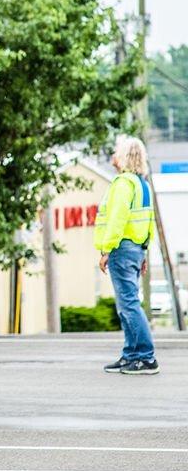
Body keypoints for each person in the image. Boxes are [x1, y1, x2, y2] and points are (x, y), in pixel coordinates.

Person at [94, 135, 159, 375]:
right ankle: (131, 354)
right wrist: (144, 251)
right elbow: (147, 221)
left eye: (116, 150)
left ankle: (145, 356)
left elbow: (117, 220)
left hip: (122, 248)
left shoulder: (123, 183)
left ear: (124, 156)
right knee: (126, 304)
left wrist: (106, 250)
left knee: (128, 303)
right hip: (136, 247)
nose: (112, 154)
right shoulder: (142, 185)